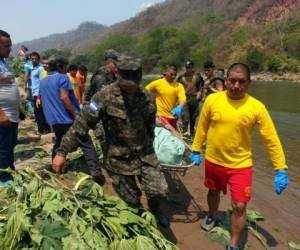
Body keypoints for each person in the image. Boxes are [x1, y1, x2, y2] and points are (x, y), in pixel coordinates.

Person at [52, 56, 170, 227]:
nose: (129, 88)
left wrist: (149, 147)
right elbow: (82, 123)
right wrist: (62, 152)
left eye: (133, 84)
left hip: (145, 155)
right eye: (125, 83)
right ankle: (139, 224)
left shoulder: (147, 97)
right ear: (118, 75)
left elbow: (150, 126)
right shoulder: (103, 97)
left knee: (159, 191)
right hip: (119, 160)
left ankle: (156, 209)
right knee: (132, 202)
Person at [191, 63, 289, 250]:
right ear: (226, 80)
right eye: (233, 80)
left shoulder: (257, 107)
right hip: (213, 160)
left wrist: (280, 168)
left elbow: (271, 139)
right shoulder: (212, 101)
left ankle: (234, 244)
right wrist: (196, 149)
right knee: (213, 192)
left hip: (241, 165)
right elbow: (202, 127)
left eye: (241, 82)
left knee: (239, 206)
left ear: (249, 83)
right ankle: (212, 215)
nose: (236, 86)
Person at [39, 57, 104, 183]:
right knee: (86, 143)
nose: (66, 70)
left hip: (54, 120)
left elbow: (43, 101)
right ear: (60, 67)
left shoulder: (43, 81)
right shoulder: (62, 77)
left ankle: (56, 168)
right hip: (67, 118)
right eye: (65, 67)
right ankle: (96, 172)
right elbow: (64, 97)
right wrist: (75, 114)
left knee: (60, 142)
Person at [0, 30, 20, 186]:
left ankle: (9, 171)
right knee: (3, 147)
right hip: (3, 115)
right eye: (6, 46)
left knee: (10, 144)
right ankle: (3, 178)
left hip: (12, 114)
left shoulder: (4, 63)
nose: (9, 49)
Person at [145, 64, 186, 134]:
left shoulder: (179, 86)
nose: (173, 76)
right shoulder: (158, 83)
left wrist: (180, 106)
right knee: (167, 134)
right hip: (161, 115)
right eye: (171, 74)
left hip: (173, 116)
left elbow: (183, 98)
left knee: (171, 137)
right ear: (166, 73)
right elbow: (145, 90)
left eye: (175, 75)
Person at [177, 60, 204, 136]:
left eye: (190, 67)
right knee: (185, 117)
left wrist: (200, 93)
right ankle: (184, 134)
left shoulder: (197, 77)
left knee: (193, 117)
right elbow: (177, 87)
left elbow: (201, 86)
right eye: (187, 67)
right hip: (185, 98)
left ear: (192, 67)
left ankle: (192, 133)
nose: (188, 69)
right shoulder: (181, 77)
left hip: (195, 98)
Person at [29, 52, 50, 134]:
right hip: (34, 92)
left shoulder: (41, 69)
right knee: (39, 111)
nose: (34, 60)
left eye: (36, 59)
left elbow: (42, 82)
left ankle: (41, 129)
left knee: (38, 112)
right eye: (32, 59)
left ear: (38, 59)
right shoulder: (32, 68)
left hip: (39, 93)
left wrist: (39, 96)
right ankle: (44, 128)